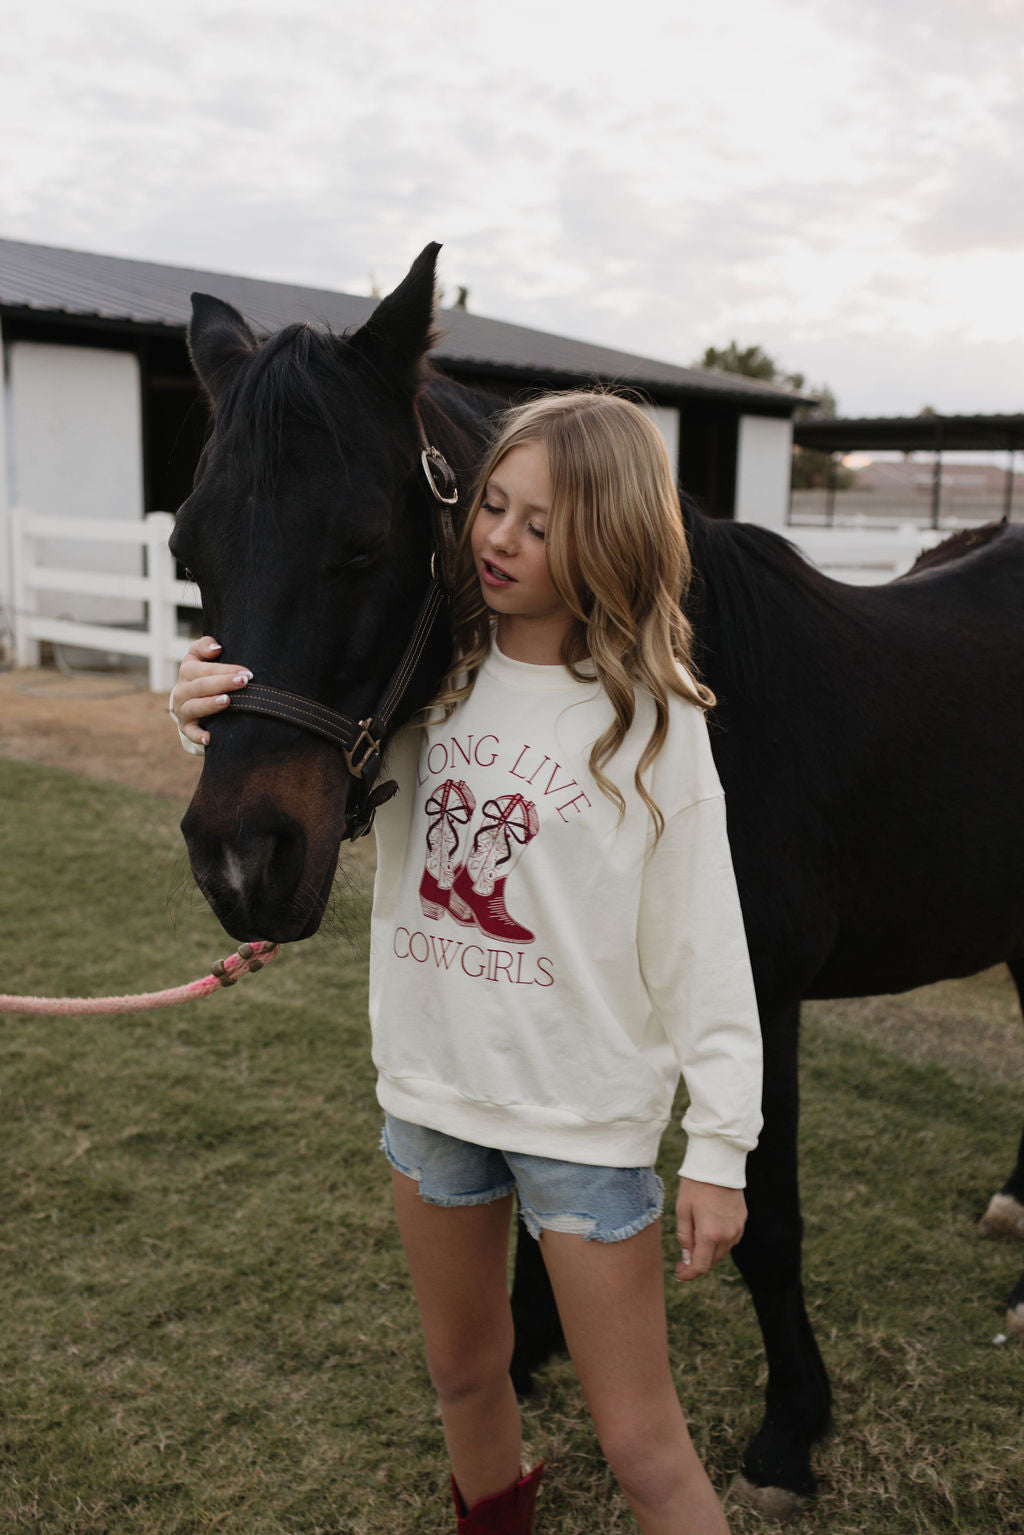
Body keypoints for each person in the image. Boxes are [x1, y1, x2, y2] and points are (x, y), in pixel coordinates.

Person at [170, 391, 763, 1535]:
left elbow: (705, 943)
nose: (497, 537)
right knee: (463, 1377)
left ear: (615, 537)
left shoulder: (650, 718)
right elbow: (288, 721)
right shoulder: (424, 683)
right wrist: (196, 709)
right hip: (432, 1100)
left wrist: (722, 1149)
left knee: (643, 1447)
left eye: (539, 523)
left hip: (583, 1125)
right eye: (491, 503)